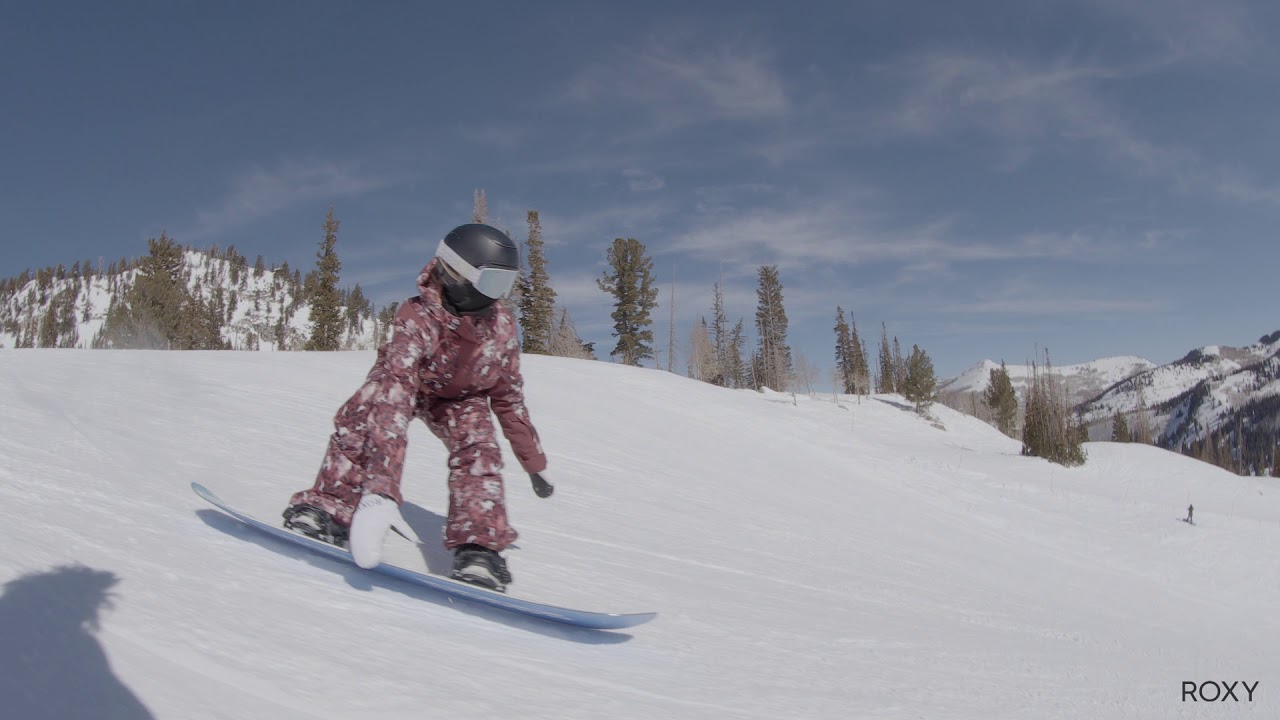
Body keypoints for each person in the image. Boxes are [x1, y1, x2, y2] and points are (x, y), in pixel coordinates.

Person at [282, 223, 551, 592]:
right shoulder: (419, 316)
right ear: (455, 272)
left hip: (461, 398)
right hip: (408, 382)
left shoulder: (501, 327)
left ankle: (478, 547)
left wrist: (533, 463)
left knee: (479, 448)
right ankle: (330, 504)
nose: (497, 297)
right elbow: (395, 399)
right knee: (365, 414)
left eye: (506, 285)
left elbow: (508, 395)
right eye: (492, 283)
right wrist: (380, 492)